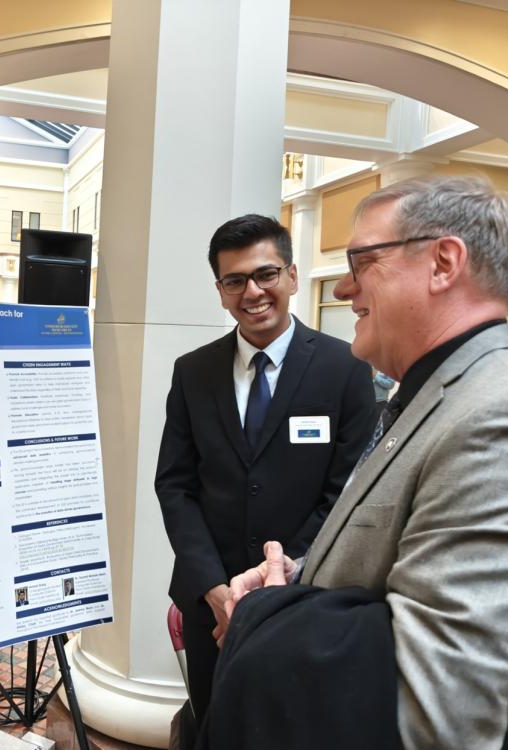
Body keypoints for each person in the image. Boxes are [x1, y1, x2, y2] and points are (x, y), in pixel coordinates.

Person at [225, 175, 508, 749]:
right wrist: (297, 576)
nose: (347, 288)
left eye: (362, 260)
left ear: (443, 262)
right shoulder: (435, 396)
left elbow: (434, 699)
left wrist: (268, 615)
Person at [155, 214, 376, 724]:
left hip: (305, 597)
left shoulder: (344, 369)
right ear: (220, 290)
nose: (252, 292)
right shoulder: (193, 372)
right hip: (210, 602)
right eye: (235, 281)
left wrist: (282, 580)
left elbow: (348, 493)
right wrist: (214, 590)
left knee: (291, 725)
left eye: (266, 274)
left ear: (292, 277)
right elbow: (176, 486)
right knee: (215, 720)